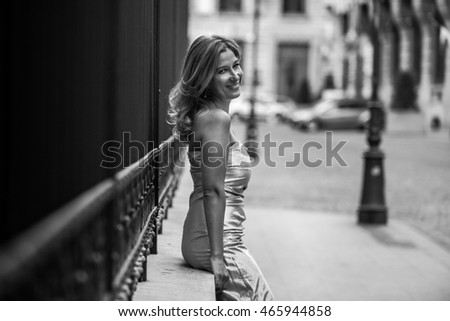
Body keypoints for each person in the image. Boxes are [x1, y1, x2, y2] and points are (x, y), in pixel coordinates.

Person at [167, 35, 274, 301]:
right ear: (205, 78)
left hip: (209, 237)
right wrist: (217, 256)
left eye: (236, 65)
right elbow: (214, 190)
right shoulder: (216, 119)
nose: (235, 74)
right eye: (222, 70)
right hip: (220, 243)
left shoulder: (207, 115)